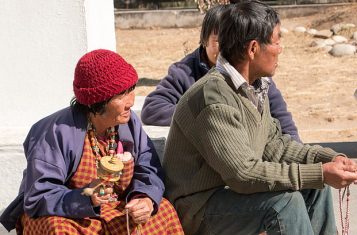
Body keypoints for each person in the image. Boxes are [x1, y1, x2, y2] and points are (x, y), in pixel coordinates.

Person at [163, 1, 357, 235]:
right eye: (276, 41)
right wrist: (320, 172)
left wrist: (331, 159)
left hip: (228, 194)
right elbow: (243, 175)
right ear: (253, 48)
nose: (281, 49)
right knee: (285, 203)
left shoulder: (254, 87)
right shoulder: (212, 97)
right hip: (198, 208)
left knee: (317, 187)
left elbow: (276, 146)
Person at [0, 49, 183, 234]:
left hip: (113, 207)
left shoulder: (128, 122)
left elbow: (148, 167)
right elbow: (39, 195)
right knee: (56, 228)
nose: (131, 102)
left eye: (131, 90)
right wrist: (85, 198)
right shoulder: (54, 132)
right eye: (121, 95)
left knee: (164, 211)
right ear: (97, 102)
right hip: (67, 213)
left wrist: (144, 198)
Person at [141, 4, 301, 142]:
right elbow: (152, 109)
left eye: (231, 40)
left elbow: (282, 119)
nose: (226, 48)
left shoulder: (255, 74)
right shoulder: (185, 72)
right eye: (219, 41)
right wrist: (207, 115)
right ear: (204, 40)